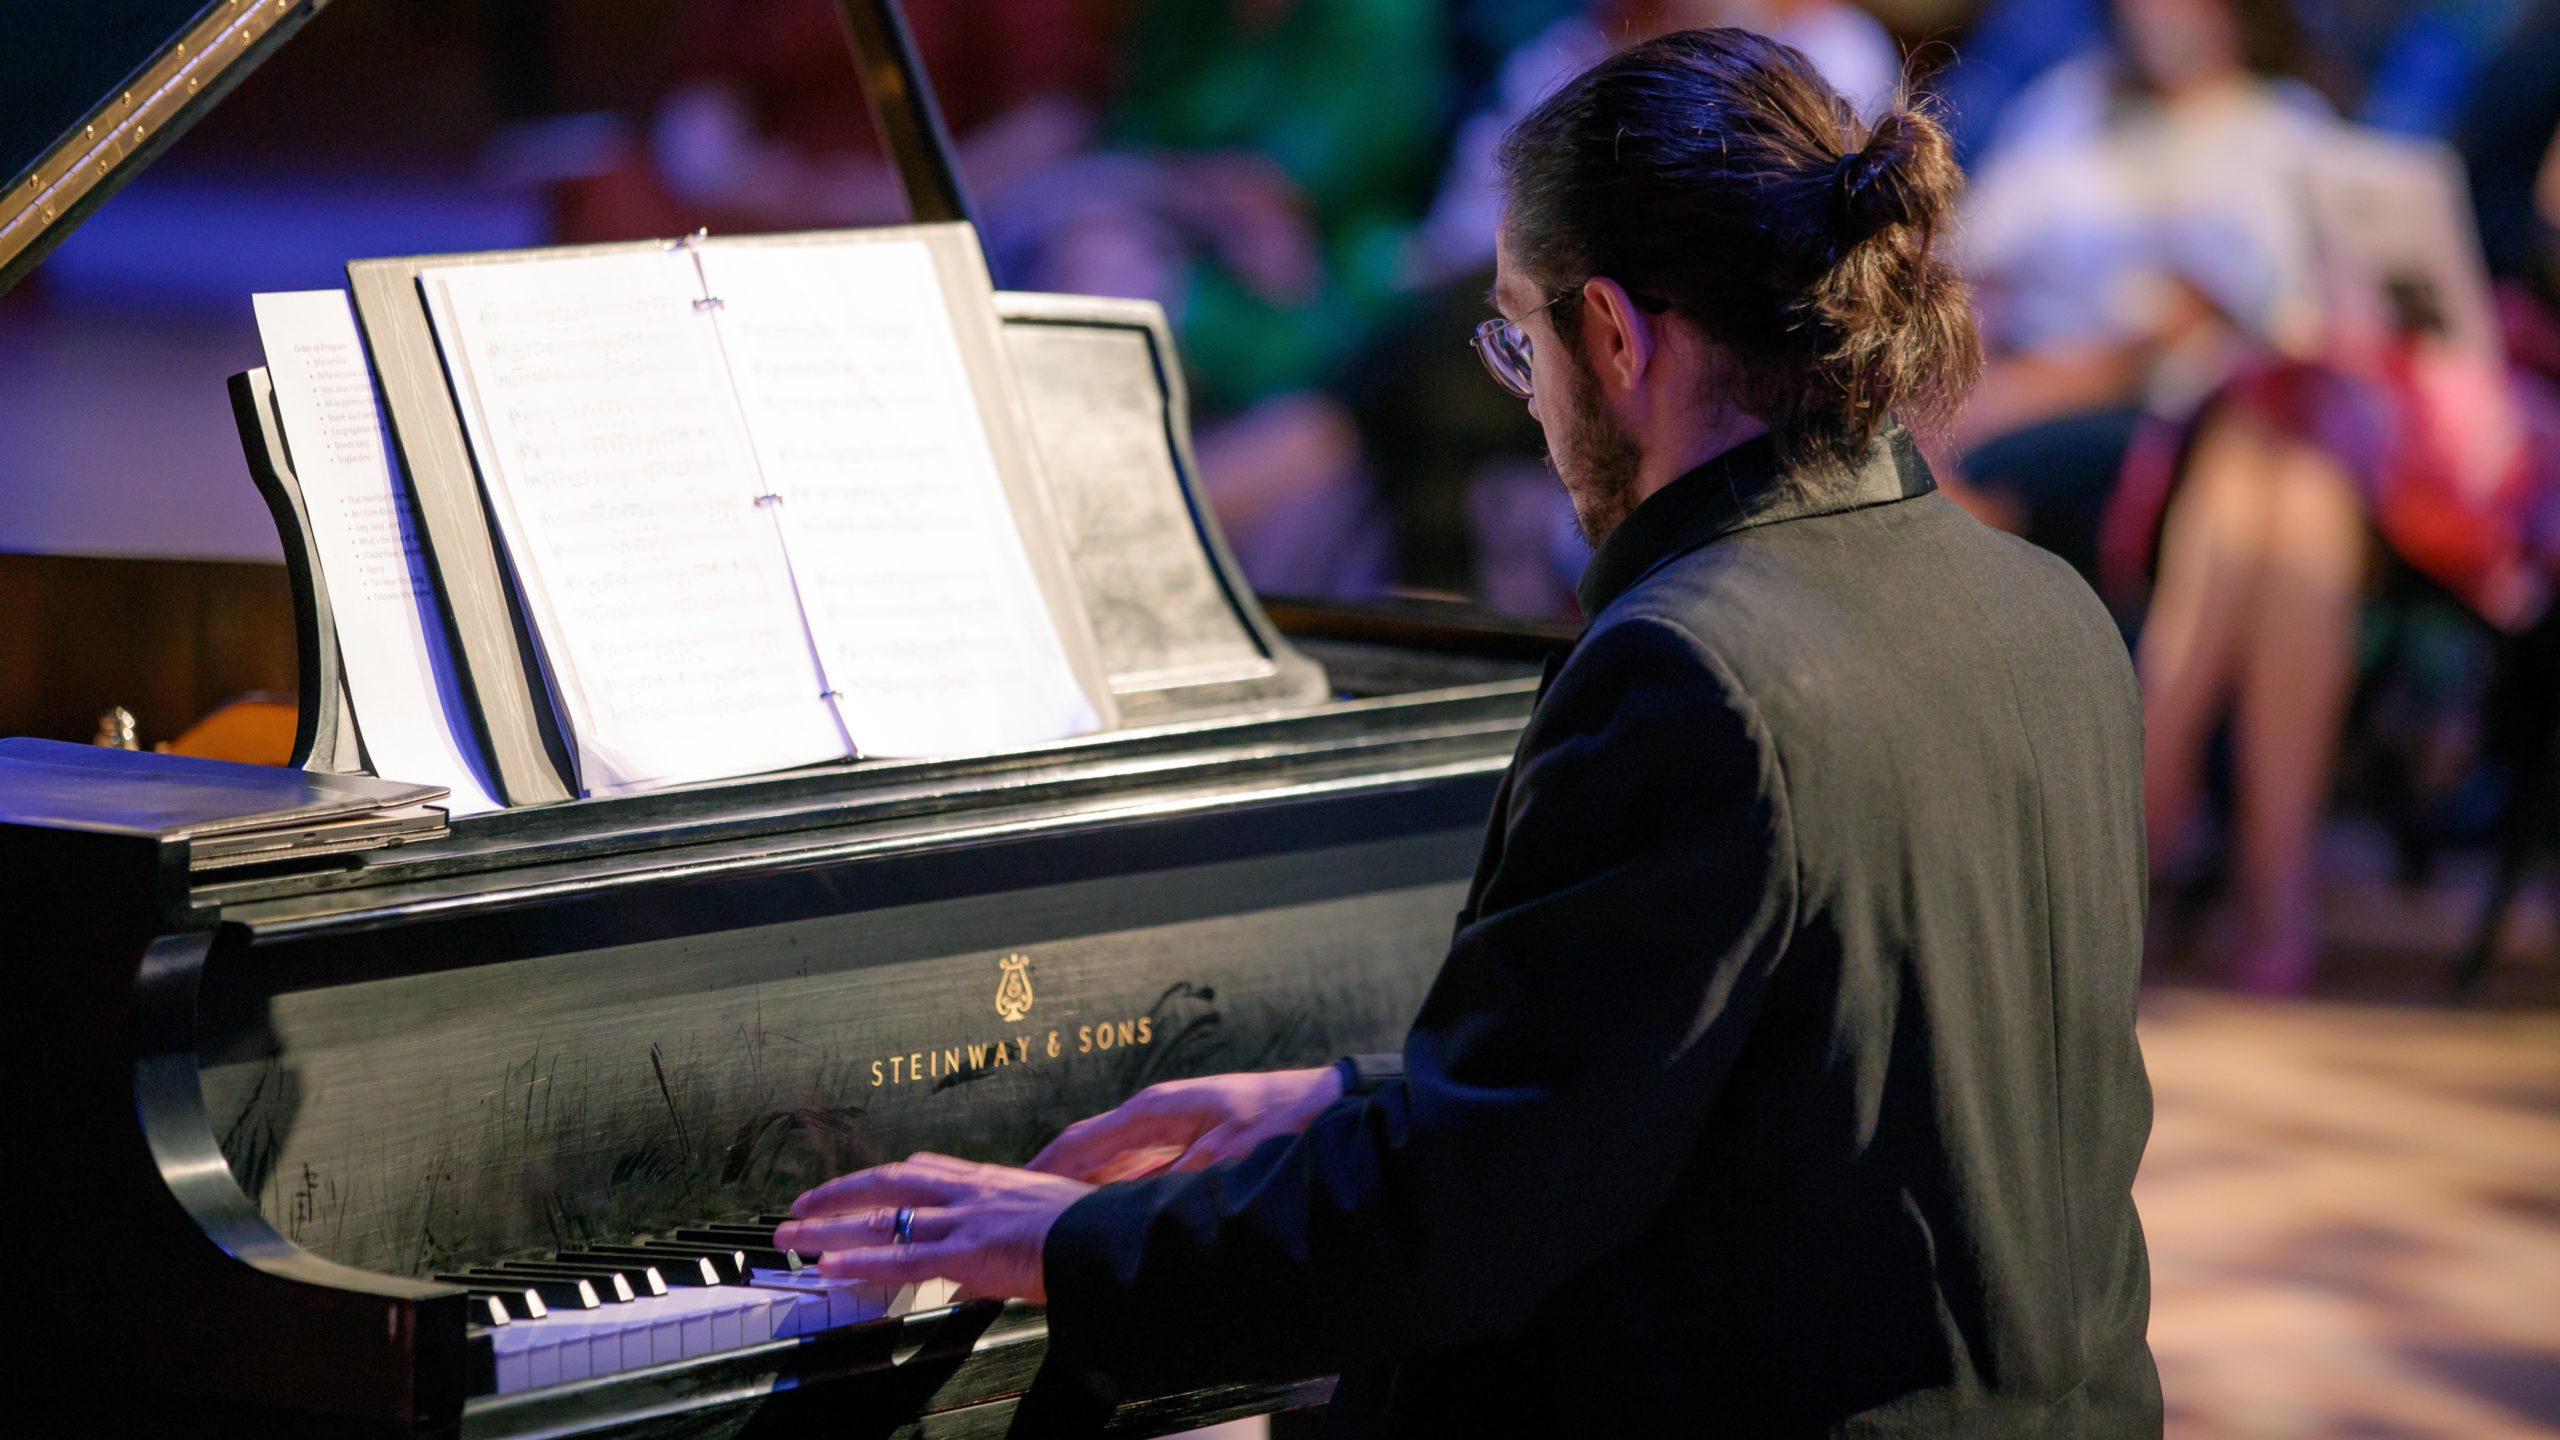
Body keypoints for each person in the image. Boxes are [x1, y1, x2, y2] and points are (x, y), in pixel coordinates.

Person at [776, 30, 2161, 1437]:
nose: (1529, 392)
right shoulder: (2046, 609)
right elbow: (1780, 1087)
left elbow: (1463, 1228)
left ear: (1612, 334)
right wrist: (1348, 1101)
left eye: (1519, 335)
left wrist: (1070, 1248)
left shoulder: (1692, 671)